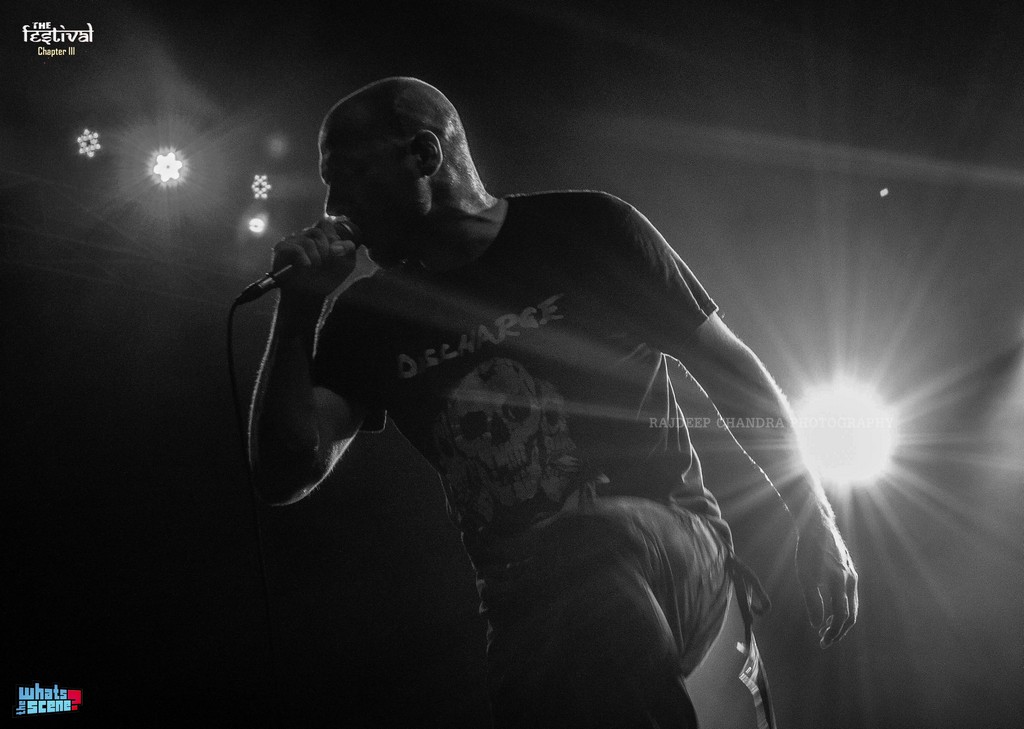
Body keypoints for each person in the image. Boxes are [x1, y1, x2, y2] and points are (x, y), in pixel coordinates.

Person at [248, 77, 858, 728]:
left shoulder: (588, 230)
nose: (333, 206)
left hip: (674, 550)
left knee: (586, 541)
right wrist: (300, 307)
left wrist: (813, 515)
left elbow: (730, 374)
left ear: (423, 155)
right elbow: (286, 471)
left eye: (349, 175)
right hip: (529, 608)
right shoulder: (371, 317)